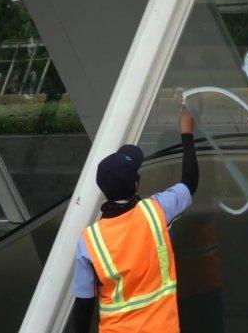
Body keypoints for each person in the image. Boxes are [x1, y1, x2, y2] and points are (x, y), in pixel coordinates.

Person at [71, 105, 198, 333]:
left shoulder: (89, 241)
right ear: (136, 184)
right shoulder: (156, 211)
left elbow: (83, 305)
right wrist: (186, 133)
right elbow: (190, 182)